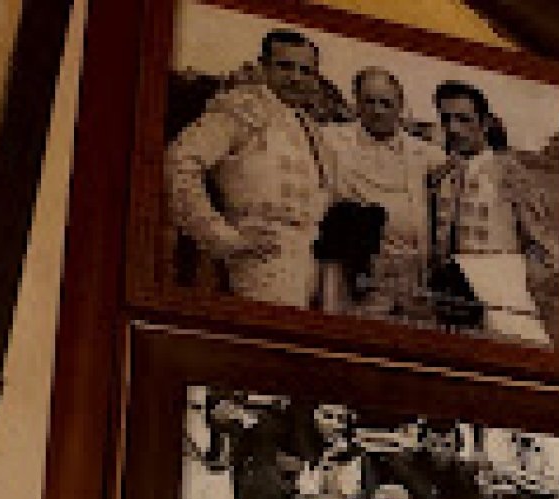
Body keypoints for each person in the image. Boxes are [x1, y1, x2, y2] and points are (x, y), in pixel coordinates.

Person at [166, 29, 333, 307]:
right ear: (263, 66)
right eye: (285, 66)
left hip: (309, 266)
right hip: (258, 260)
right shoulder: (239, 109)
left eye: (305, 70)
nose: (295, 77)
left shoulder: (310, 126)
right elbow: (180, 161)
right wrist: (222, 236)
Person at [428, 81, 558, 343]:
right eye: (446, 119)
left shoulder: (510, 172)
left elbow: (545, 246)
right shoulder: (441, 172)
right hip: (450, 293)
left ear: (485, 123)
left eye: (464, 119)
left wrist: (517, 282)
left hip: (502, 293)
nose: (453, 128)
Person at [322, 68, 440, 321]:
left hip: (411, 271)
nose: (377, 111)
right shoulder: (330, 140)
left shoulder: (426, 153)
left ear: (400, 106)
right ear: (357, 103)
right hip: (358, 270)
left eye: (386, 103)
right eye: (369, 102)